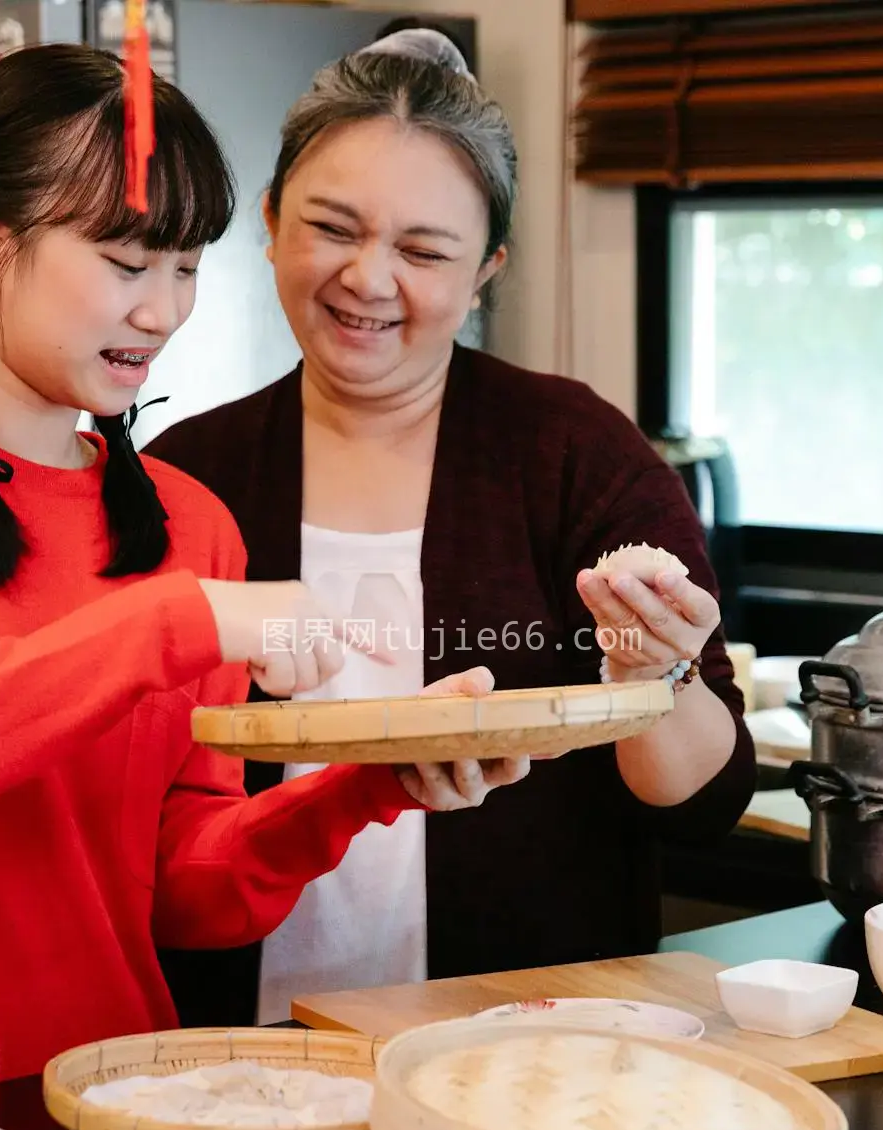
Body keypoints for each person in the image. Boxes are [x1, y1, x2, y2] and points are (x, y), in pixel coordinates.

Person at [0, 43, 526, 1081]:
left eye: (186, 266)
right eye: (124, 262)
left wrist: (363, 786)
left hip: (106, 1100)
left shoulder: (190, 526)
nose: (162, 310)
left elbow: (183, 892)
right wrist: (177, 622)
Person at [146, 29, 758, 1028]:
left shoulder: (571, 452)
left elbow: (702, 802)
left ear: (485, 269)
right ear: (267, 221)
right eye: (331, 228)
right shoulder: (188, 470)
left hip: (527, 1043)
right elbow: (129, 797)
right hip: (235, 1043)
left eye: (423, 250)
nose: (367, 279)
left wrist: (657, 678)